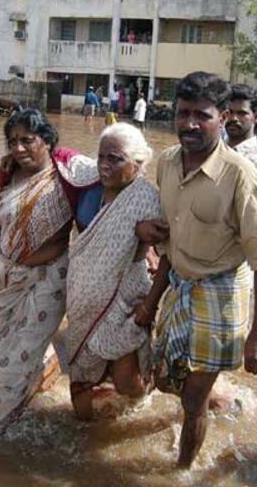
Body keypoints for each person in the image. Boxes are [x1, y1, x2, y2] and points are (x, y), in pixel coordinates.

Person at [134, 72, 257, 468]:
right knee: (165, 380)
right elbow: (169, 243)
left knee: (192, 400)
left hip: (222, 291)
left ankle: (183, 470)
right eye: (183, 114)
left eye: (202, 115)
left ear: (223, 117)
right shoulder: (165, 164)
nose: (190, 124)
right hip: (179, 284)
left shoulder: (240, 175)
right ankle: (223, 400)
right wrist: (151, 300)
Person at [0, 109, 99, 433]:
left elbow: (114, 177)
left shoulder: (68, 177)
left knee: (7, 372)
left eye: (28, 140)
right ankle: (46, 366)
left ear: (47, 141)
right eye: (13, 142)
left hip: (48, 283)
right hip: (7, 280)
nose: (19, 148)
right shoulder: (1, 179)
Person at [65, 123, 162, 420]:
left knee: (127, 382)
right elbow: (58, 156)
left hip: (124, 298)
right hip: (83, 296)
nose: (105, 166)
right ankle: (80, 439)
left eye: (115, 159)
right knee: (80, 379)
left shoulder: (147, 199)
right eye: (101, 157)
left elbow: (168, 255)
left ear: (138, 164)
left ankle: (153, 388)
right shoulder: (89, 185)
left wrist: (150, 305)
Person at [225, 84, 257, 200]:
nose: (234, 118)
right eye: (230, 112)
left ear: (256, 117)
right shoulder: (216, 152)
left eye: (242, 113)